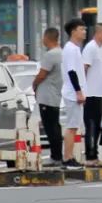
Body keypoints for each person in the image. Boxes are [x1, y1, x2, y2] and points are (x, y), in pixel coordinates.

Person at [31, 27, 64, 167]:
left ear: (47, 38)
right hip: (55, 95)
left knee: (51, 128)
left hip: (47, 96)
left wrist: (34, 83)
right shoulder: (62, 53)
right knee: (55, 126)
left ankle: (55, 156)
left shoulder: (50, 55)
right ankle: (57, 155)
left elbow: (42, 74)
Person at [59, 19, 87, 169]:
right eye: (81, 29)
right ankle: (67, 158)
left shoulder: (75, 48)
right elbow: (71, 71)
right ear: (73, 31)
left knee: (74, 126)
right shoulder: (70, 49)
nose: (84, 32)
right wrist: (78, 91)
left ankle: (69, 157)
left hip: (74, 93)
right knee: (71, 127)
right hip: (72, 93)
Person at [81, 24, 102, 166]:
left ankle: (94, 154)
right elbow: (84, 69)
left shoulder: (99, 49)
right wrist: (83, 90)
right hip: (90, 94)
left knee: (97, 126)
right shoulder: (91, 48)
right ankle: (90, 156)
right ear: (98, 33)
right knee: (91, 126)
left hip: (98, 94)